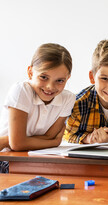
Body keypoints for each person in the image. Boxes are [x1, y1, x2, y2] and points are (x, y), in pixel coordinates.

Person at [0, 43, 75, 173]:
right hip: (7, 159)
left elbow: (50, 135)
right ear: (30, 72)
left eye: (60, 80)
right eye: (44, 77)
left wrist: (14, 141)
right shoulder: (21, 90)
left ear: (67, 78)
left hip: (37, 157)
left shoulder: (68, 98)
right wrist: (54, 143)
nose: (50, 86)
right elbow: (17, 144)